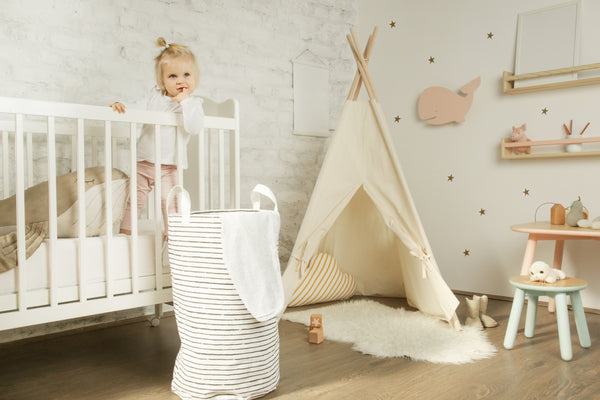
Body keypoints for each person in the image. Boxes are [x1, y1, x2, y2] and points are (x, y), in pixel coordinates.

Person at [111, 37, 204, 241]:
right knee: (134, 199)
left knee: (169, 201)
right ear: (162, 81)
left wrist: (186, 103)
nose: (180, 80)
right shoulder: (154, 96)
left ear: (195, 78)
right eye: (173, 76)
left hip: (170, 165)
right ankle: (124, 235)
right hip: (144, 160)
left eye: (186, 74)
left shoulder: (193, 104)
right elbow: (137, 106)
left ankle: (172, 237)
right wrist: (123, 106)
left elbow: (195, 127)